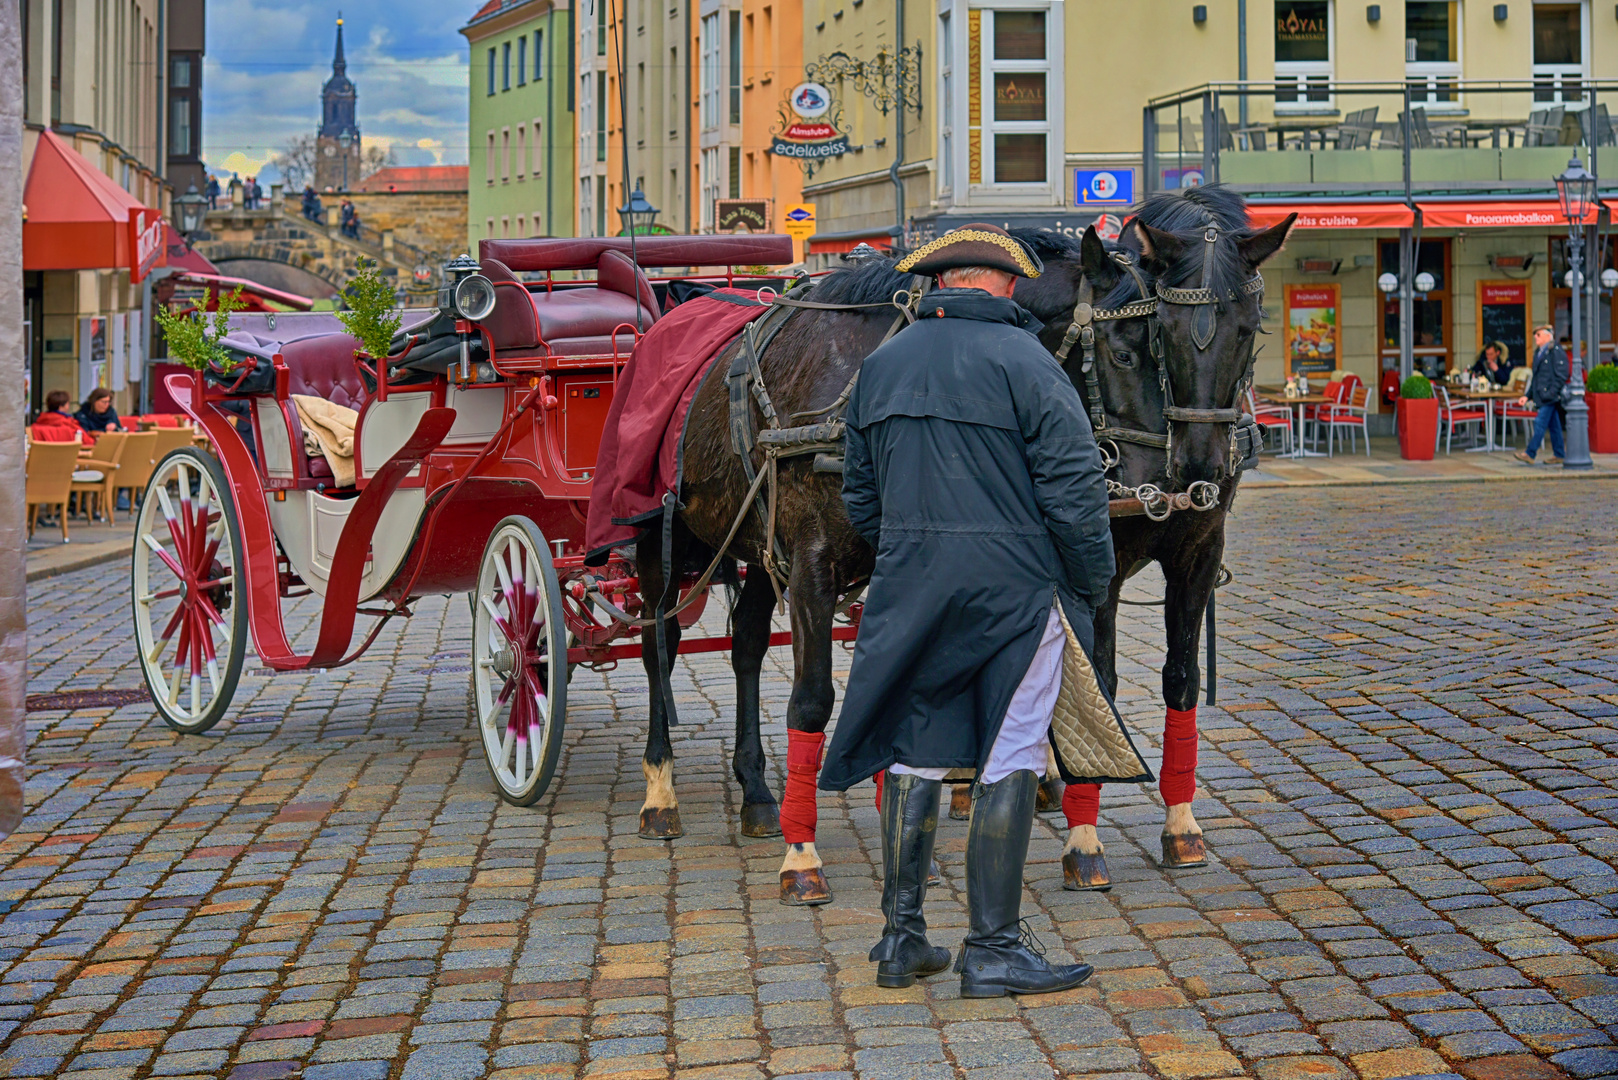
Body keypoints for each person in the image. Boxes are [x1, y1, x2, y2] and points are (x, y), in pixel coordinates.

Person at [818, 224, 1115, 998]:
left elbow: (859, 494)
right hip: (1015, 589)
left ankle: (901, 940)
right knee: (1013, 748)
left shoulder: (880, 367)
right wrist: (1089, 584)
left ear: (939, 286)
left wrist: (917, 554)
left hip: (911, 586)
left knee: (916, 748)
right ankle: (993, 949)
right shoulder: (1029, 362)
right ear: (1007, 285)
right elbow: (1076, 491)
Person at [1516, 324, 1568, 465]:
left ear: (1547, 335)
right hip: (1543, 395)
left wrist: (1552, 392)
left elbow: (1562, 374)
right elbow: (1536, 377)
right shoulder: (1539, 352)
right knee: (1554, 426)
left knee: (1540, 423)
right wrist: (1527, 395)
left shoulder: (1555, 350)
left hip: (1549, 396)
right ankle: (1559, 454)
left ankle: (1530, 453)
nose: (1535, 337)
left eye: (1538, 334)